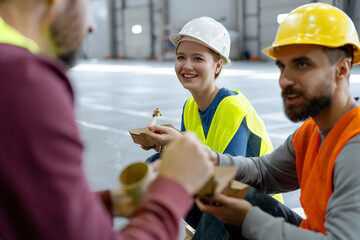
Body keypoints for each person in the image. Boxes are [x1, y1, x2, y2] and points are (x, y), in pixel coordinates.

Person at [0, 0, 214, 240]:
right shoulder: (24, 81)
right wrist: (175, 187)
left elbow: (25, 214)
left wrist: (109, 202)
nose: (90, 26)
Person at [195, 3, 360, 240]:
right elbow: (265, 171)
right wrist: (213, 160)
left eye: (301, 64)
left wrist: (248, 219)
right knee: (225, 194)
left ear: (341, 69)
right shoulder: (312, 132)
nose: (285, 80)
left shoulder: (354, 145)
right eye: (282, 66)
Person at [143, 16, 282, 234]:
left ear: (217, 66)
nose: (187, 66)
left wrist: (178, 145)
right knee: (158, 164)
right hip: (221, 197)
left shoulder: (232, 107)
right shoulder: (190, 106)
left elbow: (227, 180)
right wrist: (165, 144)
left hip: (253, 208)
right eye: (181, 57)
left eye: (198, 59)